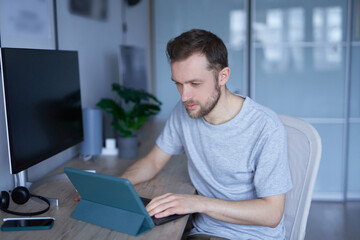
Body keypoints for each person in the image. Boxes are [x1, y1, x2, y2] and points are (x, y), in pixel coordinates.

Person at [77, 29, 292, 239]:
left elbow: (272, 214)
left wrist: (198, 202)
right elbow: (153, 161)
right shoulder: (185, 111)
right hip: (203, 231)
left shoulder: (265, 127)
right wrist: (117, 187)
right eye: (178, 84)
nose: (184, 96)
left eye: (195, 84)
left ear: (222, 76)